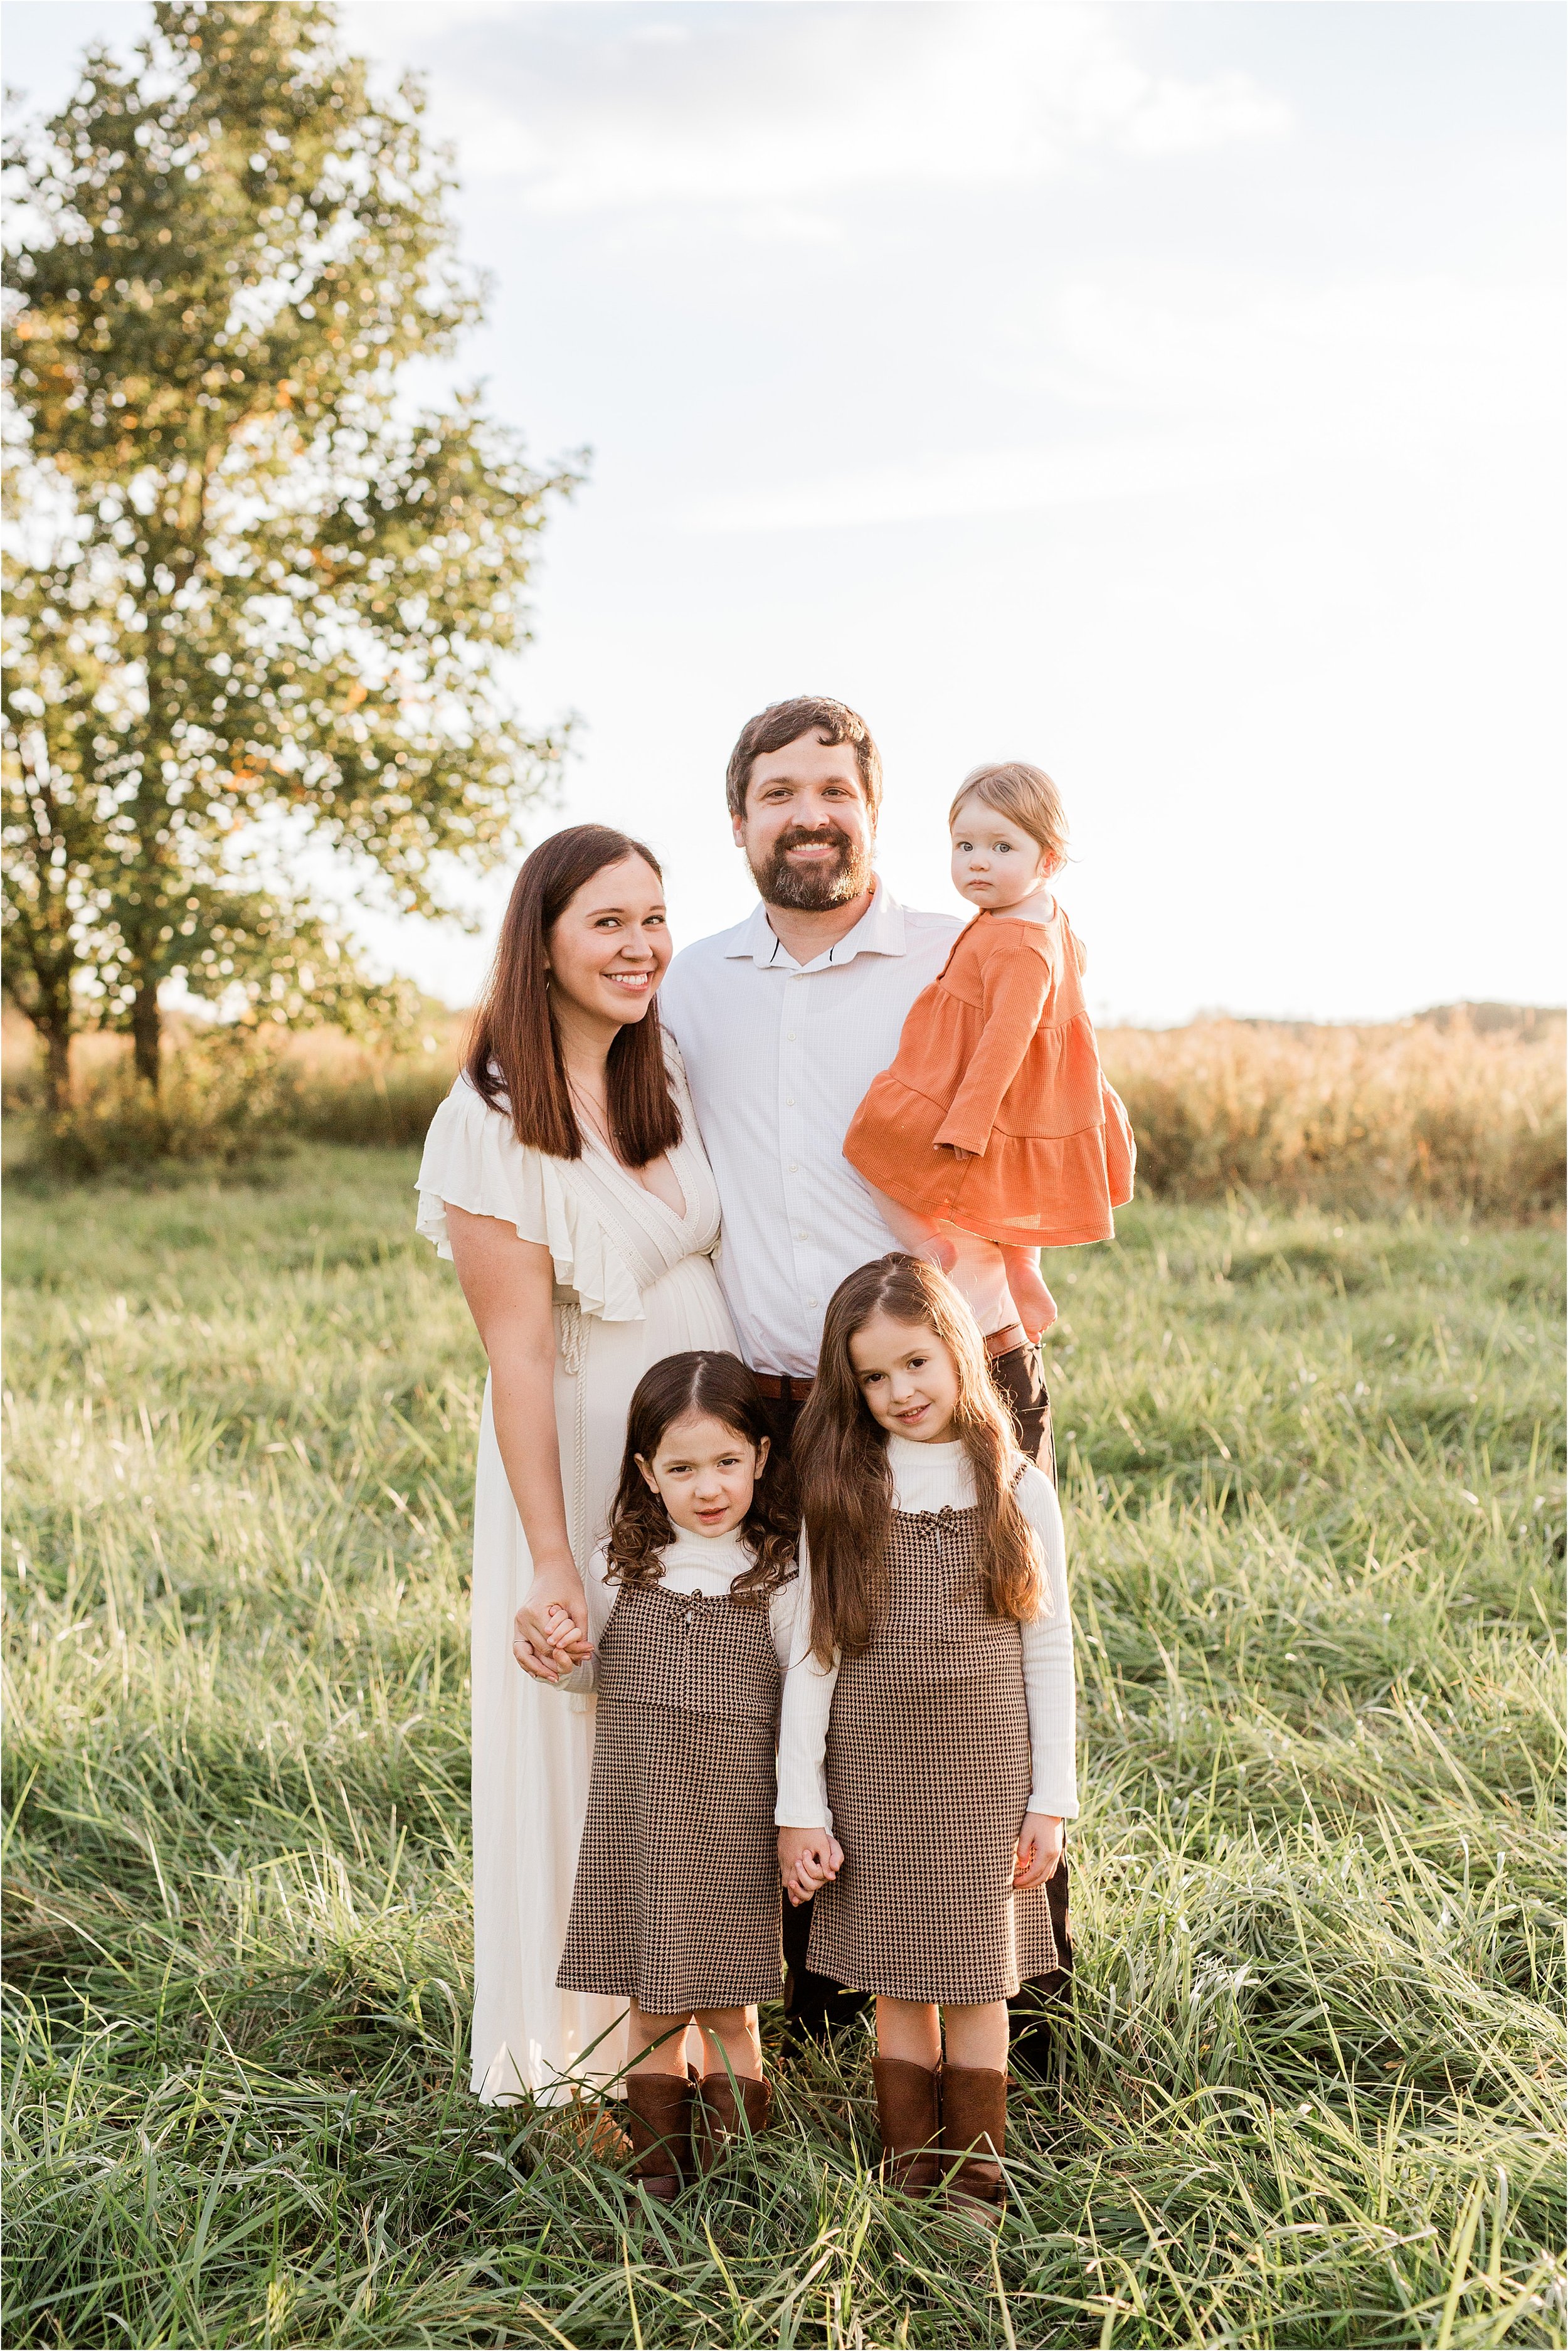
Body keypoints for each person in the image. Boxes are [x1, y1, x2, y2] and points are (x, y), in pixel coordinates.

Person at [644, 694, 1071, 2046]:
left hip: (953, 1374)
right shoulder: (692, 980)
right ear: (738, 823)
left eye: (831, 789)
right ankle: (830, 1989)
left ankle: (1015, 1987)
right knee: (806, 1677)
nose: (807, 813)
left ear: (870, 813)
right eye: (778, 792)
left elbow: (1055, 1115)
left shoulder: (965, 951)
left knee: (983, 1670)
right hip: (774, 1394)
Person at [414, 825, 738, 2103]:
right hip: (583, 1464)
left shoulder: (668, 1082)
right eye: (608, 921)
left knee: (697, 1733)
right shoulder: (487, 1120)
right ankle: (590, 2057)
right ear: (539, 939)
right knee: (592, 1738)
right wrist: (555, 1556)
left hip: (699, 1457)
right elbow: (515, 1356)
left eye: (655, 918)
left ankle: (702, 2028)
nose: (641, 945)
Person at [775, 1255, 1077, 2212]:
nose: (900, 1392)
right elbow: (814, 1656)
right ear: (850, 1386)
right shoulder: (844, 1490)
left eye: (916, 1363)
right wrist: (801, 1805)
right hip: (873, 1768)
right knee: (902, 1980)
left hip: (986, 1770)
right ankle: (909, 2166)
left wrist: (1051, 1799)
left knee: (980, 1980)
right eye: (873, 1377)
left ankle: (976, 2178)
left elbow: (1050, 1649)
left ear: (956, 1351)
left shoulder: (1015, 1485)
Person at [544, 1352, 800, 2197]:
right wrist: (556, 1655)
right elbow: (586, 1672)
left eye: (728, 1462)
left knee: (731, 2005)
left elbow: (808, 1698)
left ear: (762, 1460)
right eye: (682, 1469)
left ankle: (742, 2164)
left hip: (733, 1821)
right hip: (644, 1818)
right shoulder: (618, 1570)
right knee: (653, 2003)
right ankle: (658, 2167)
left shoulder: (782, 1574)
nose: (709, 1487)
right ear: (648, 1476)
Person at [845, 761, 1135, 1342]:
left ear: (1047, 860)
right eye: (964, 845)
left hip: (978, 1085)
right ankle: (1022, 1266)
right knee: (1013, 1186)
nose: (978, 860)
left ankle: (930, 1246)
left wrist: (969, 1120)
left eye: (1002, 846)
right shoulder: (1041, 915)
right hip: (1031, 1092)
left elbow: (1006, 1036)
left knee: (867, 1143)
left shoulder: (1016, 943)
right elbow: (1075, 958)